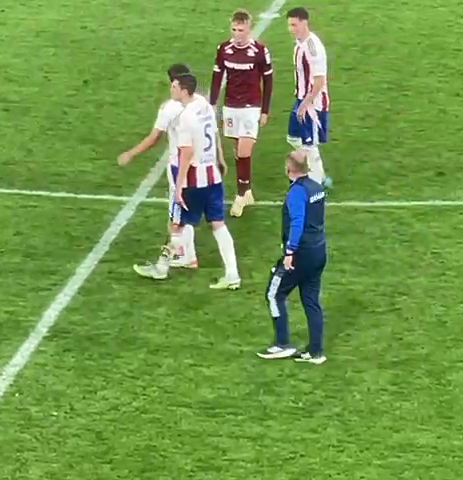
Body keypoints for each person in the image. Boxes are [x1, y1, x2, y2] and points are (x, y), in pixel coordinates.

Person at [136, 73, 241, 290]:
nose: (171, 90)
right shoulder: (204, 105)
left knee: (177, 224)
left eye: (174, 87)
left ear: (184, 91)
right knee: (218, 224)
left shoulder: (185, 118)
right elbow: (214, 132)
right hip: (213, 176)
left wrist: (179, 186)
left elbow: (186, 152)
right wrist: (220, 158)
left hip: (194, 179)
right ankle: (232, 274)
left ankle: (162, 267)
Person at [120, 63, 199, 269]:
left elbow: (154, 138)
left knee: (175, 216)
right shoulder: (200, 102)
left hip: (179, 165)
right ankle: (189, 257)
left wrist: (130, 153)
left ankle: (171, 260)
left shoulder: (170, 108)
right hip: (200, 165)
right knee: (186, 210)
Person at [257, 150, 327, 364]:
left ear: (288, 170)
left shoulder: (297, 192)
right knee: (311, 301)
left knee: (273, 294)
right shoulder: (316, 187)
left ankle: (282, 344)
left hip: (301, 254)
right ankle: (315, 352)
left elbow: (297, 222)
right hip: (318, 250)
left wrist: (290, 252)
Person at [210, 8, 274, 217]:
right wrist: (212, 104)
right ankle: (247, 190)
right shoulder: (224, 49)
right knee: (238, 151)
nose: (237, 34)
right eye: (234, 30)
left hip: (250, 107)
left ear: (249, 29)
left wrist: (264, 110)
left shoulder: (260, 51)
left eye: (241, 30)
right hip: (230, 106)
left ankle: (240, 196)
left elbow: (268, 81)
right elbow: (217, 77)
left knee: (244, 151)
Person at [285, 7, 332, 189]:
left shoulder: (313, 48)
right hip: (302, 99)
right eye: (289, 25)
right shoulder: (299, 42)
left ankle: (318, 185)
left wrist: (305, 104)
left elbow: (320, 80)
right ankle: (318, 173)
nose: (291, 29)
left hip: (313, 103)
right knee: (293, 137)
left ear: (304, 22)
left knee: (309, 144)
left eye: (294, 25)